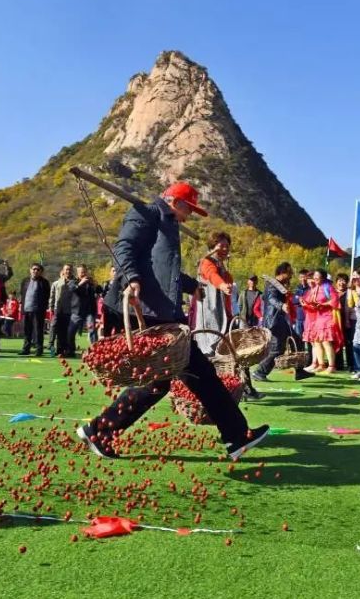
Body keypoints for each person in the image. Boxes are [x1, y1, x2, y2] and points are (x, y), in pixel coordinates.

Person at [77, 181, 269, 461]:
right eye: (188, 209)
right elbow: (124, 249)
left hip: (163, 308)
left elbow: (165, 269)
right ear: (175, 202)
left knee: (162, 383)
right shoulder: (145, 213)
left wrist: (192, 285)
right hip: (150, 309)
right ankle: (236, 436)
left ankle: (100, 430)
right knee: (201, 376)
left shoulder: (168, 223)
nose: (189, 215)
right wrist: (131, 279)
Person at [253, 262, 305, 382]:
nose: (291, 275)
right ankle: (260, 372)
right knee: (277, 348)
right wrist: (281, 305)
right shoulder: (272, 284)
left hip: (280, 320)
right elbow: (271, 299)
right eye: (289, 272)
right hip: (274, 321)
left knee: (296, 341)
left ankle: (300, 371)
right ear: (282, 273)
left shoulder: (280, 285)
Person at [193, 232, 234, 357]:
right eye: (221, 246)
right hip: (209, 311)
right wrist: (222, 285)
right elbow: (211, 275)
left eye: (227, 246)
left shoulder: (220, 264)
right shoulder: (207, 262)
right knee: (210, 342)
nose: (225, 249)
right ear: (213, 246)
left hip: (222, 312)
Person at [302, 269, 343, 375]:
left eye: (317, 276)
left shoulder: (328, 287)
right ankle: (321, 364)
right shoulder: (315, 288)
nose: (315, 278)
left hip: (327, 317)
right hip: (317, 317)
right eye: (314, 276)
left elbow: (335, 301)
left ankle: (331, 366)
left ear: (323, 277)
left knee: (326, 341)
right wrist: (305, 304)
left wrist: (323, 305)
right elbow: (312, 303)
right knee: (317, 340)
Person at [19, 263, 51, 356]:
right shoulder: (25, 281)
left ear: (41, 272)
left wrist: (43, 308)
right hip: (26, 309)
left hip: (38, 310)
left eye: (38, 270)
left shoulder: (44, 282)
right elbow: (22, 294)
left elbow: (46, 296)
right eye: (34, 269)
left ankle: (39, 349)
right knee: (26, 330)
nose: (35, 271)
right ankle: (26, 349)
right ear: (30, 270)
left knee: (38, 330)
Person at [49, 264, 75, 358]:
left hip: (70, 310)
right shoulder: (57, 283)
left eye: (70, 269)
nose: (68, 271)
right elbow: (52, 296)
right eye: (66, 269)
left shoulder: (75, 282)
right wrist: (51, 307)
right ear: (63, 271)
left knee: (69, 331)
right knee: (58, 330)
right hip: (58, 309)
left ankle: (70, 350)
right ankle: (59, 350)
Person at [71, 265, 99, 348]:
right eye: (80, 272)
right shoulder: (74, 281)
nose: (82, 274)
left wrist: (94, 285)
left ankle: (95, 348)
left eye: (84, 272)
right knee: (72, 330)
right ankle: (71, 348)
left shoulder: (91, 282)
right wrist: (80, 283)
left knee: (92, 329)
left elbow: (98, 292)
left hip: (90, 310)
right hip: (77, 310)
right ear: (77, 273)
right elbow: (72, 290)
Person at [292, 269, 310, 339]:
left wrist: (301, 299)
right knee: (299, 338)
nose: (303, 279)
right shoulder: (297, 288)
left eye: (304, 277)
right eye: (301, 277)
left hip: (307, 317)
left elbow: (308, 300)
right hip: (299, 317)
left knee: (308, 338)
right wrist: (300, 299)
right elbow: (294, 300)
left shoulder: (310, 288)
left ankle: (309, 350)